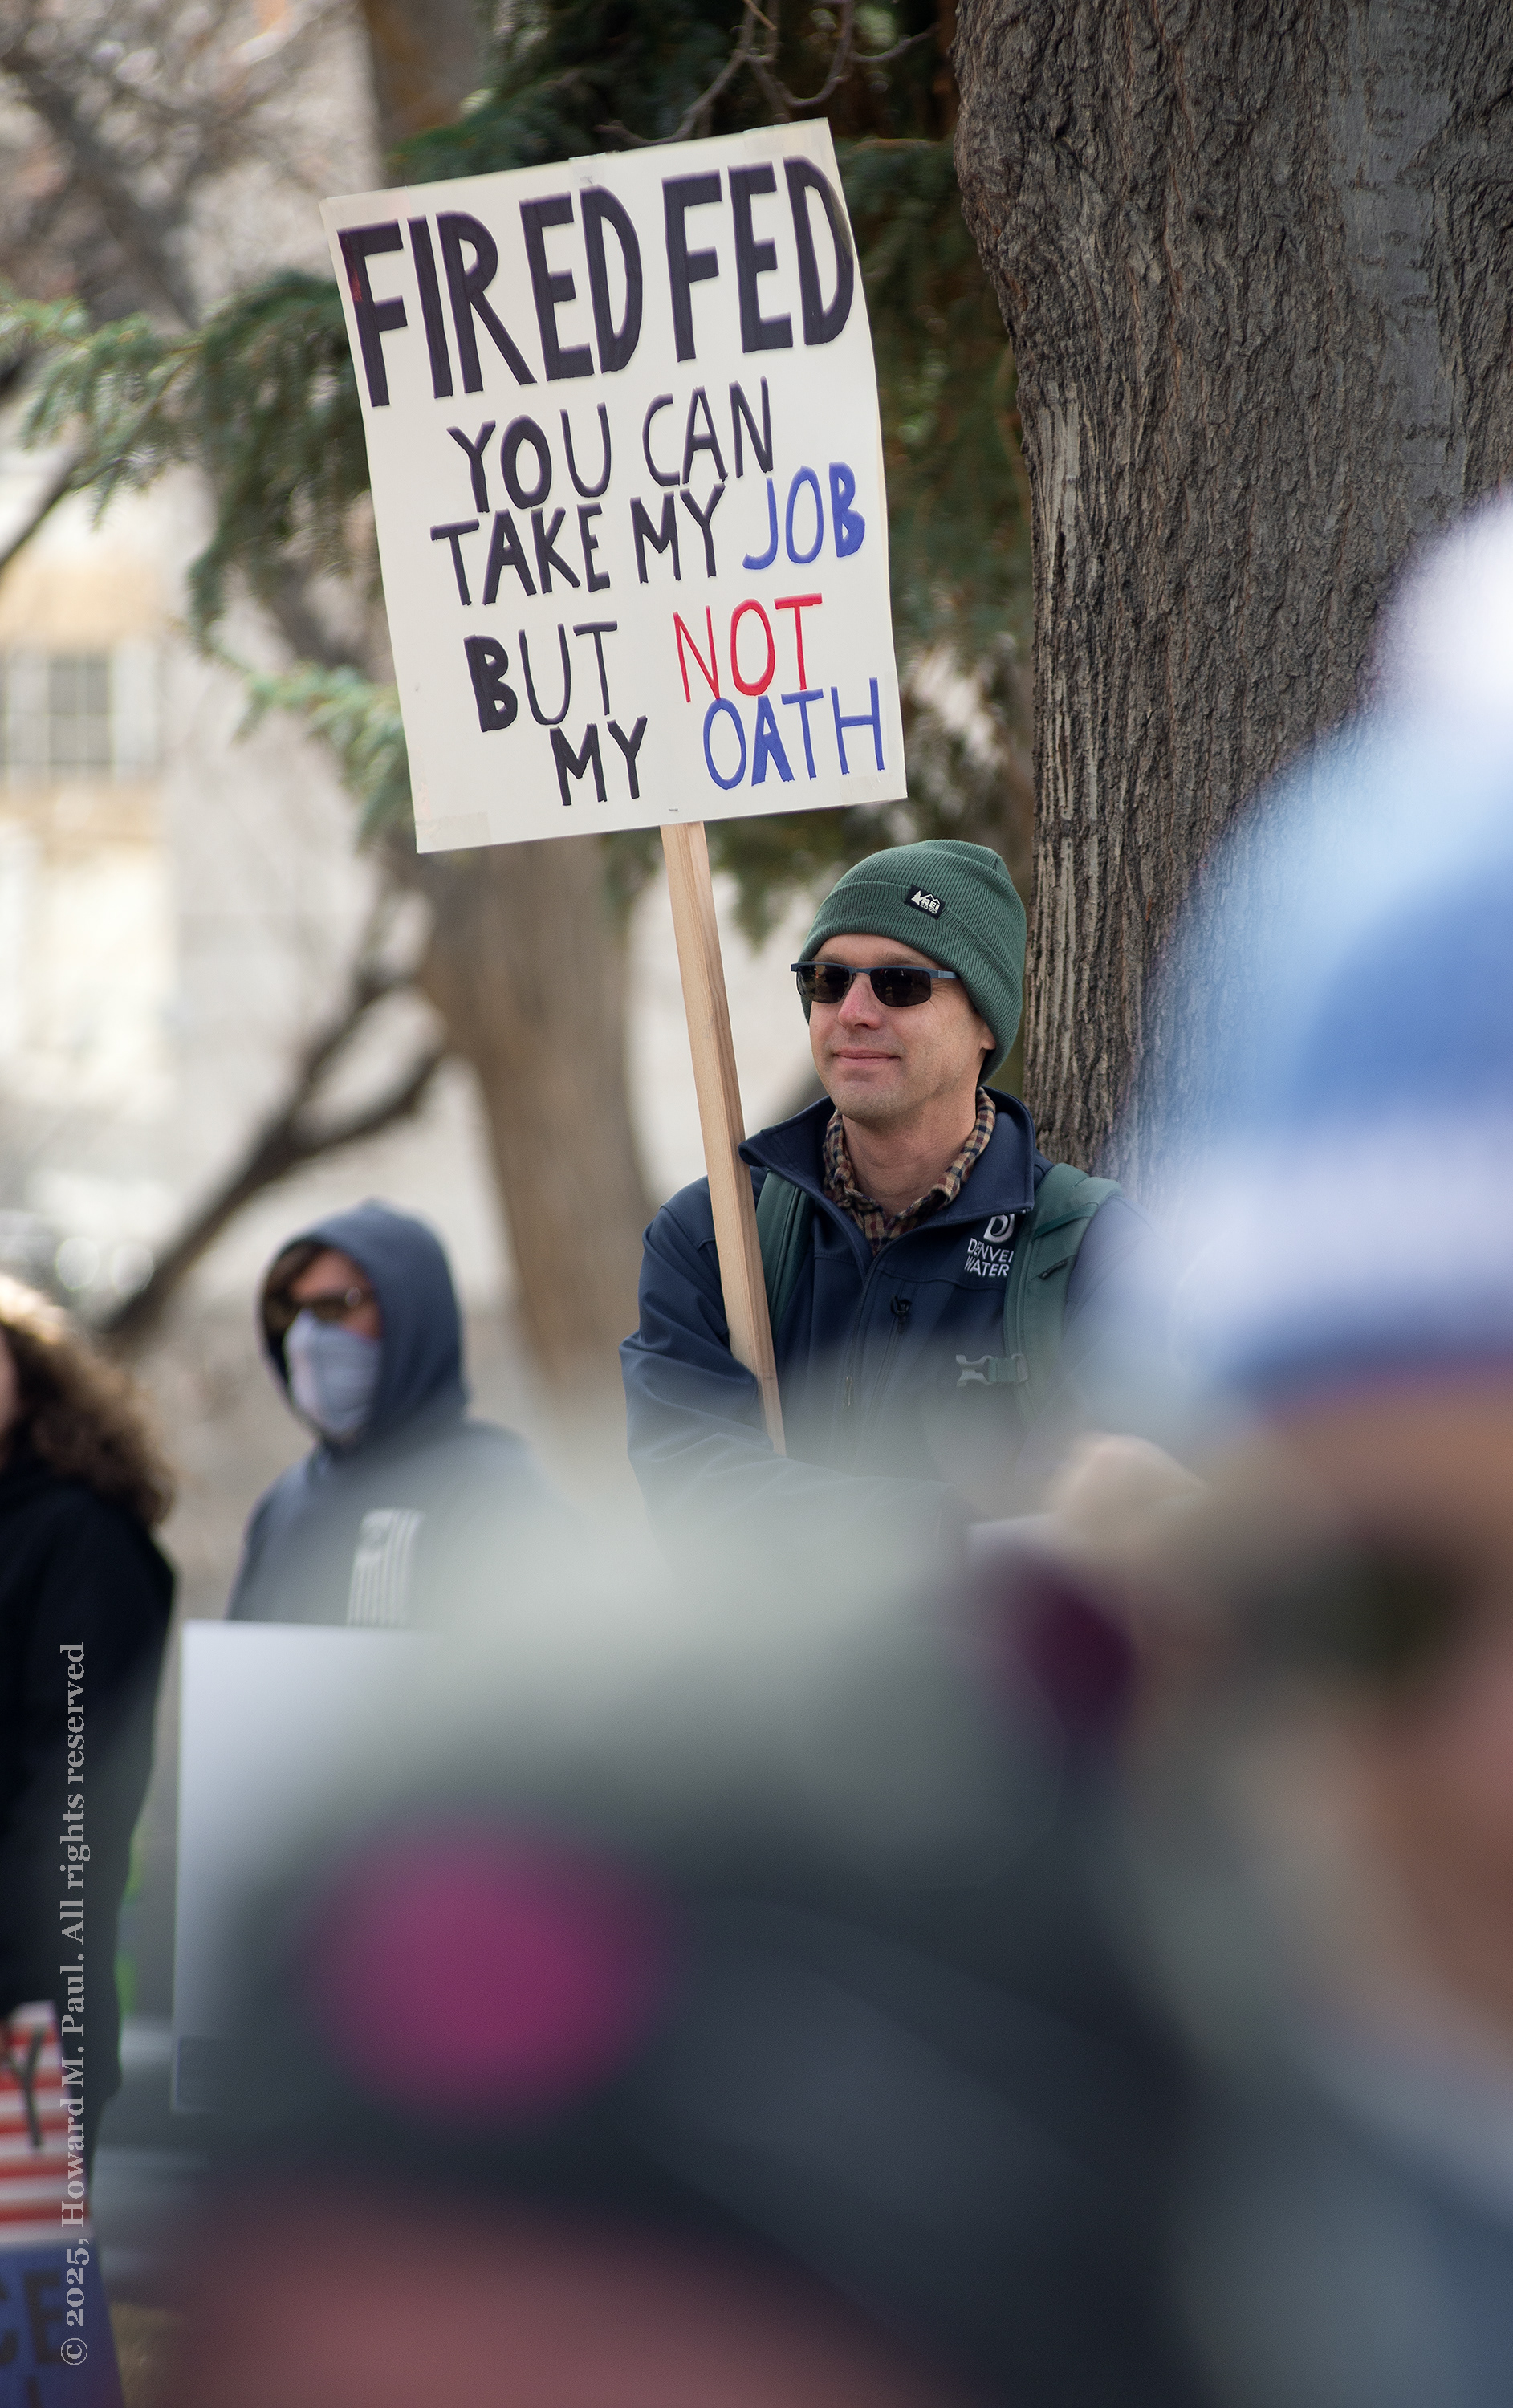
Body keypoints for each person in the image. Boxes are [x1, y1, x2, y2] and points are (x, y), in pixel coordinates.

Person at [623, 839, 1168, 1553]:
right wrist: (960, 1526)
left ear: (985, 1021)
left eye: (900, 983)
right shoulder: (713, 1237)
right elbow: (693, 1498)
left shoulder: (1093, 1257)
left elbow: (1105, 1524)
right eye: (827, 980)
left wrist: (793, 1520)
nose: (852, 1011)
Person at [0, 1275, 173, 2164]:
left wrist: (30, 2002)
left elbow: (73, 1800)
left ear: (29, 1375)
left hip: (25, 2023)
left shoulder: (82, 1540)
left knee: (28, 2260)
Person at [228, 1198, 561, 1628]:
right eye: (289, 1313)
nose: (305, 1337)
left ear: (410, 1313)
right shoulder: (284, 1505)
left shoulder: (496, 1490)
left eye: (334, 1307)